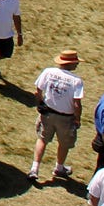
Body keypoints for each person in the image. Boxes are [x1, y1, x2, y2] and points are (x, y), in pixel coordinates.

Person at [30, 48, 84, 183]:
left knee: (42, 139)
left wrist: (40, 104)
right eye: (76, 62)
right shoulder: (76, 81)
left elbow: (37, 90)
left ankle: (34, 169)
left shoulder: (48, 72)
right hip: (65, 118)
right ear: (70, 63)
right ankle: (59, 167)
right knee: (64, 143)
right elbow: (77, 103)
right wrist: (77, 119)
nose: (77, 64)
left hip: (47, 113)